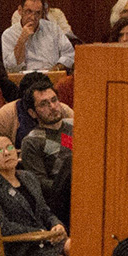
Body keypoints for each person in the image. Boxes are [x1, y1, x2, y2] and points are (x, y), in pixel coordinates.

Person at [15, 81, 76, 220]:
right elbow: (38, 183)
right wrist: (73, 186)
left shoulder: (75, 125)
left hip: (91, 188)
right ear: (32, 113)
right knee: (70, 162)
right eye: (44, 104)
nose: (52, 107)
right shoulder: (32, 141)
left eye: (54, 100)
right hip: (61, 202)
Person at [1, 0, 75, 78]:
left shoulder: (53, 29)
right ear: (20, 11)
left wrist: (57, 69)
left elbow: (69, 54)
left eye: (37, 13)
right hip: (24, 80)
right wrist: (22, 40)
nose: (33, 17)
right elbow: (11, 68)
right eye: (29, 11)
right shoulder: (8, 35)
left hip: (51, 77)